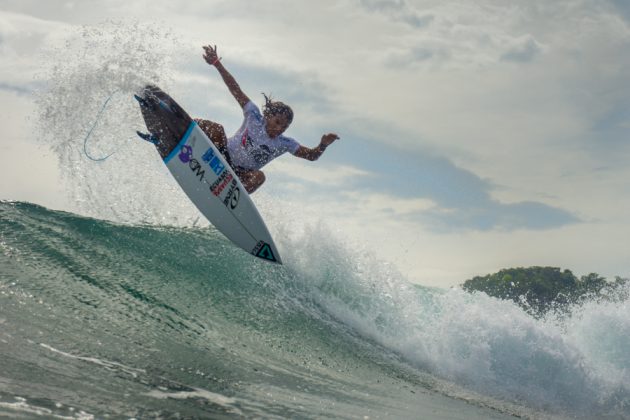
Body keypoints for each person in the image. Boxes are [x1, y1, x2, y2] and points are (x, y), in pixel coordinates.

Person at [195, 44, 340, 194]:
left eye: (284, 127)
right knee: (216, 129)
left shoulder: (284, 143)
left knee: (259, 177)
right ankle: (182, 128)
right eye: (277, 122)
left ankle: (229, 193)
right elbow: (235, 88)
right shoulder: (254, 116)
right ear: (267, 116)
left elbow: (311, 156)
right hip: (221, 154)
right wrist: (217, 64)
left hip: (238, 176)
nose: (279, 129)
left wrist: (323, 145)